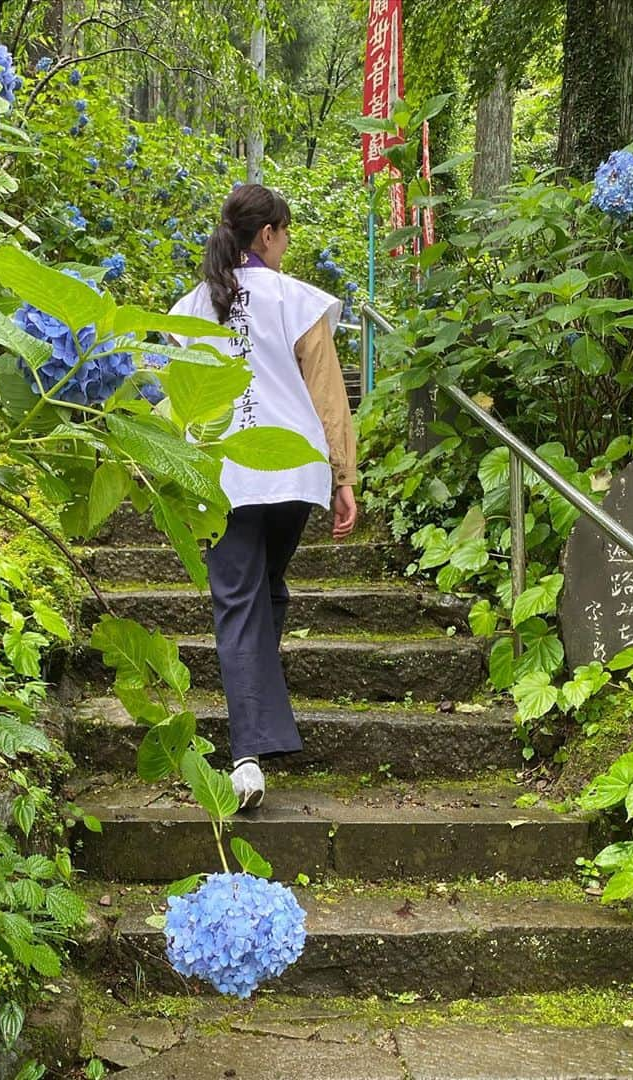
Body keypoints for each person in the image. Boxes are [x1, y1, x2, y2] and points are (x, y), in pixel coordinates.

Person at [167, 183, 359, 810]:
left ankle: (248, 754)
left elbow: (173, 393)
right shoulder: (298, 301)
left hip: (225, 477)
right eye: (285, 234)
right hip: (294, 474)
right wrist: (343, 476)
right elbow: (330, 397)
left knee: (239, 603)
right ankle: (259, 734)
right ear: (268, 234)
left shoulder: (193, 307)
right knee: (267, 591)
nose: (286, 246)